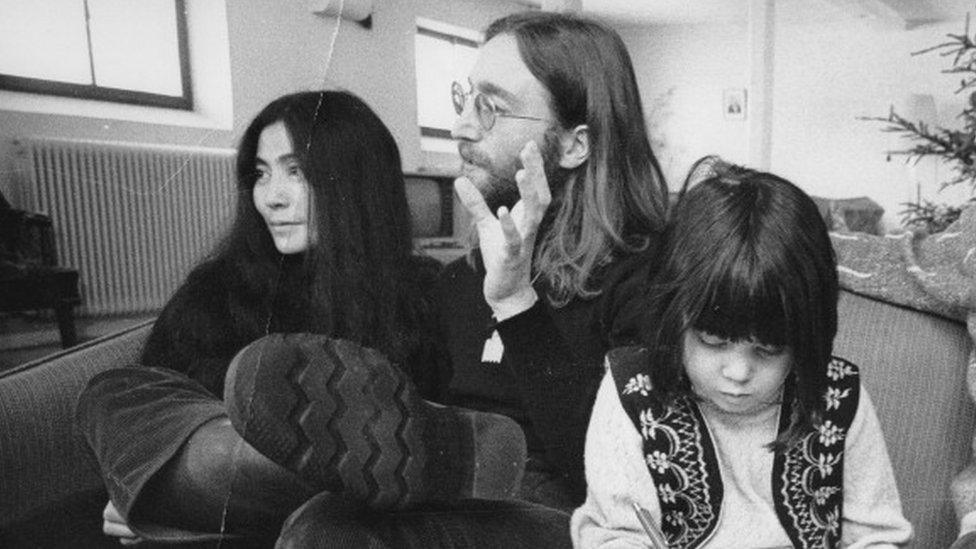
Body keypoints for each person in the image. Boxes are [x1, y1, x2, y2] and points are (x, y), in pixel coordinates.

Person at [76, 90, 524, 545]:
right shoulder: (218, 287)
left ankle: (195, 497)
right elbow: (167, 406)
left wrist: (161, 499)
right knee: (112, 390)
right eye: (261, 174)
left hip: (335, 518)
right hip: (246, 503)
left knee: (334, 500)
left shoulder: (428, 290)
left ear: (354, 181)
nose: (272, 197)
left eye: (296, 172)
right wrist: (145, 489)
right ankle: (192, 494)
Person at [571, 157, 913, 548]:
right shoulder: (634, 392)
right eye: (713, 342)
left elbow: (877, 538)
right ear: (673, 319)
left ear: (805, 340)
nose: (738, 372)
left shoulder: (836, 397)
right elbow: (614, 535)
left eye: (768, 350)